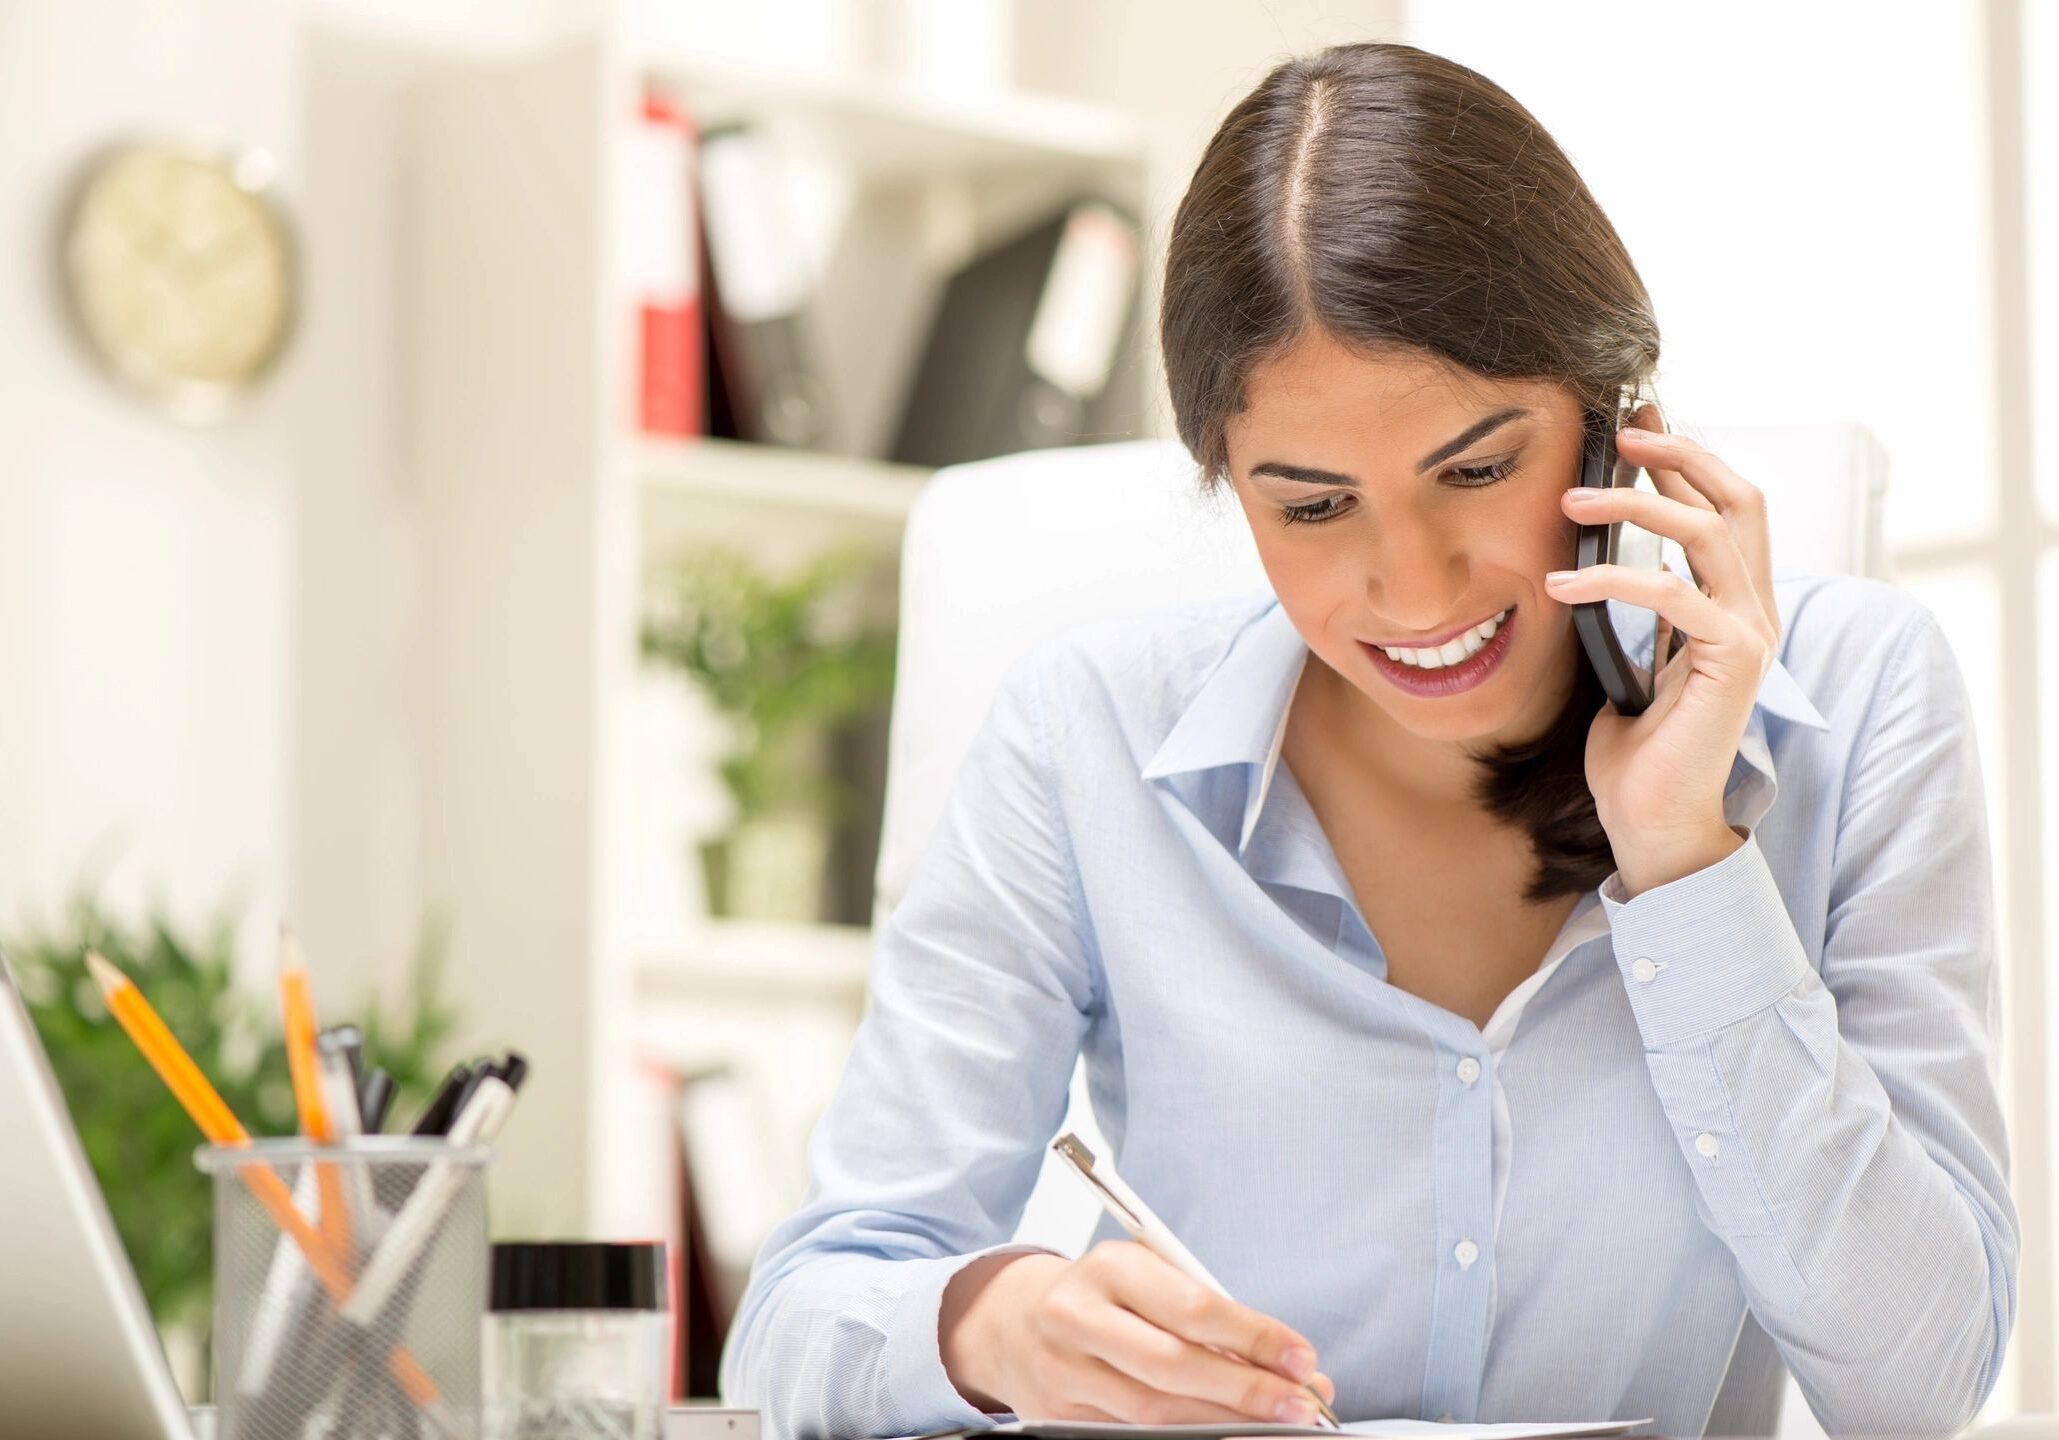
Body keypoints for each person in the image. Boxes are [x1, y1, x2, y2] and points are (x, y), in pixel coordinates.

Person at [718, 40, 2016, 1440]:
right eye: (1313, 506)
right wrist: (990, 1326)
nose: (1414, 589)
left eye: (1475, 469)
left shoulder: (1861, 697)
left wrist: (1690, 864)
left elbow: (1921, 1390)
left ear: (1616, 424)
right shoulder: (1079, 740)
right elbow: (799, 1323)